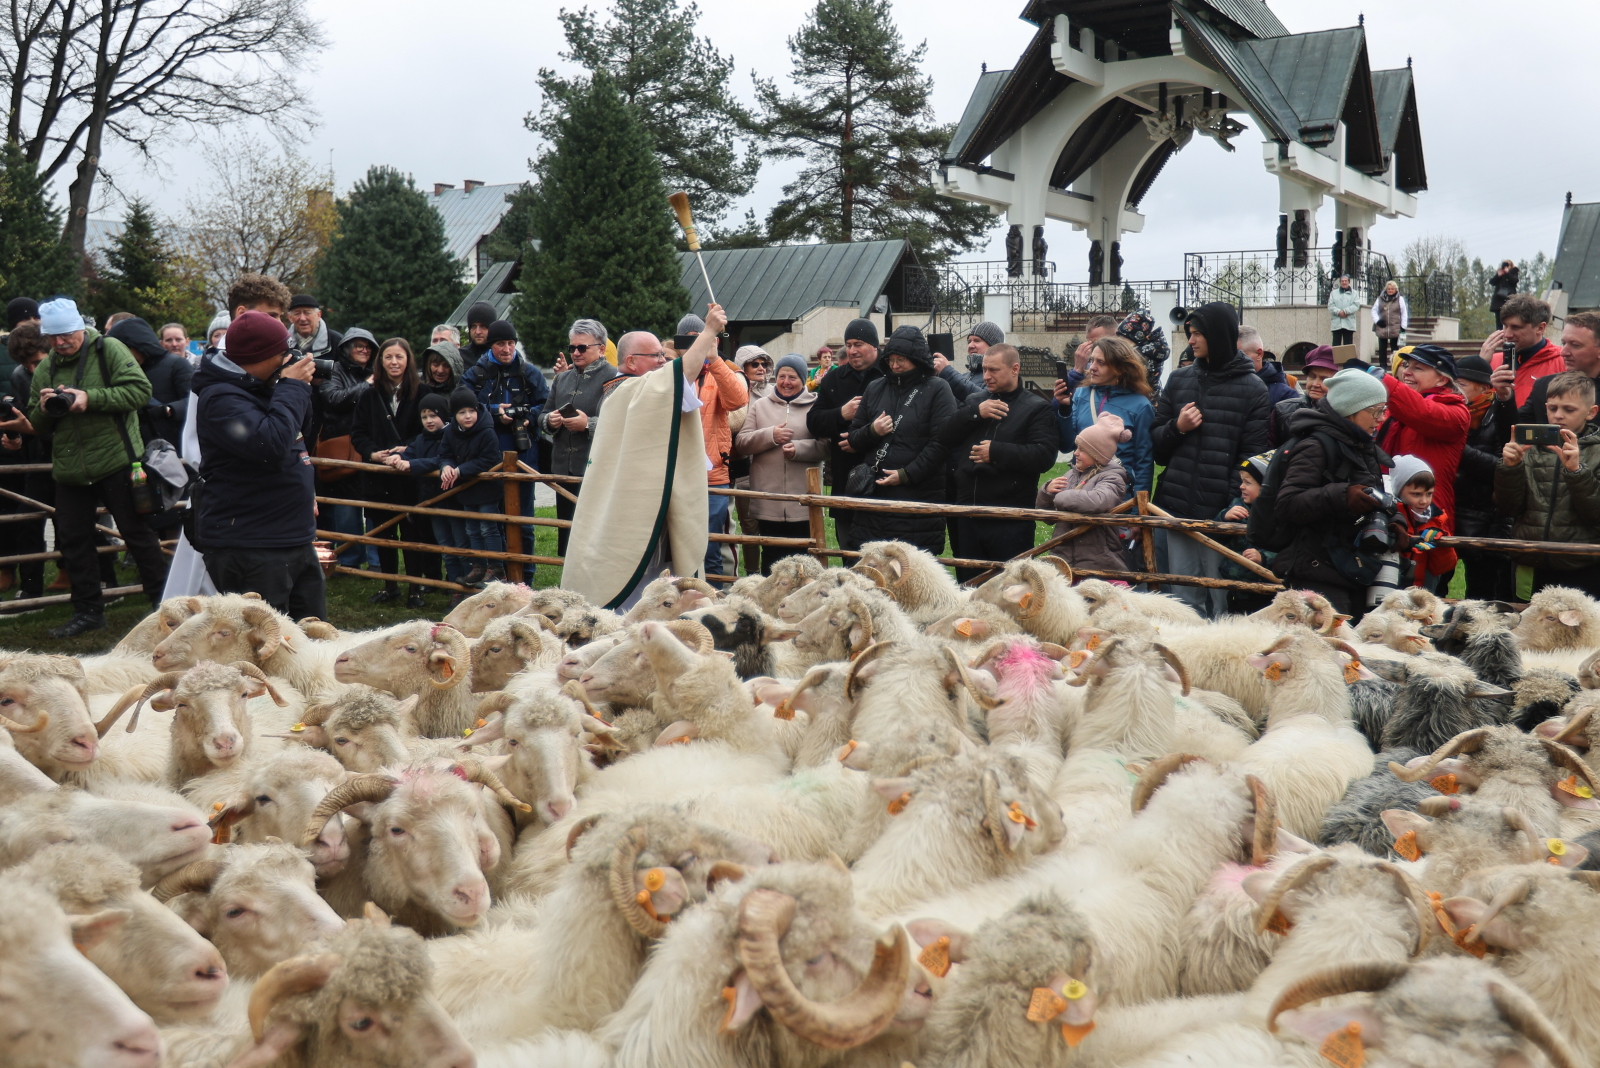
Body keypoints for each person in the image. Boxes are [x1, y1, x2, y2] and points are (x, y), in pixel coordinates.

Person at [565, 305, 728, 608]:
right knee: (631, 588)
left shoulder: (636, 390)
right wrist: (708, 332)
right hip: (628, 513)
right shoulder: (627, 392)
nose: (663, 360)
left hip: (654, 505)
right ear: (630, 362)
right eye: (654, 356)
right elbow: (681, 374)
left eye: (661, 355)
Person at [28, 298, 170, 636]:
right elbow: (38, 424)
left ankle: (165, 608)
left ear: (80, 327)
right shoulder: (45, 368)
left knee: (137, 535)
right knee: (74, 541)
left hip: (117, 460)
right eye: (53, 336)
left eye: (66, 334)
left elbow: (140, 392)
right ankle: (88, 611)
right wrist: (46, 409)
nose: (60, 342)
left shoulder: (110, 350)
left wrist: (89, 398)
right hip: (71, 468)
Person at [190, 310, 323, 617]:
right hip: (252, 545)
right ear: (260, 357)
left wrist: (292, 388)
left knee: (312, 641)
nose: (289, 359)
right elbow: (271, 445)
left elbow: (297, 435)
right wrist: (291, 387)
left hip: (290, 536)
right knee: (265, 649)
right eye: (283, 353)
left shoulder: (261, 386)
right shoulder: (221, 398)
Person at [1149, 302, 1271, 618]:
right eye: (1190, 333)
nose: (1191, 340)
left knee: (1221, 599)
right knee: (1182, 596)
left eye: (1198, 333)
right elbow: (1157, 448)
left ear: (1218, 335)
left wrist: (1228, 507)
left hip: (1222, 515)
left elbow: (1251, 459)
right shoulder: (1178, 380)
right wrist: (1177, 428)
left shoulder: (1253, 389)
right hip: (1177, 508)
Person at [1270, 368, 1392, 617]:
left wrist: (1394, 521)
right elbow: (1288, 503)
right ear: (1350, 409)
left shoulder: (1360, 443)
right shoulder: (1315, 445)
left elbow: (1376, 493)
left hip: (1348, 567)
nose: (1381, 419)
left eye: (1383, 411)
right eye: (1376, 411)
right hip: (1316, 571)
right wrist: (1343, 495)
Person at [943, 342, 1057, 580]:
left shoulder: (1036, 408)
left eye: (994, 370)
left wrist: (996, 452)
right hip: (968, 513)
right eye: (984, 369)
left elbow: (1044, 455)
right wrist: (975, 412)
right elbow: (945, 435)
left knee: (1009, 590)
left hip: (1009, 518)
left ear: (1015, 369)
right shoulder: (976, 400)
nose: (986, 376)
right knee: (968, 587)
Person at [845, 326, 956, 556]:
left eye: (901, 360)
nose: (895, 366)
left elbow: (942, 443)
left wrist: (906, 474)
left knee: (910, 575)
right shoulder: (875, 388)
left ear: (917, 359)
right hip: (872, 501)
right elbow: (854, 438)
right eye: (891, 359)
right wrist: (873, 431)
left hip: (916, 500)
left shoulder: (938, 389)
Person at [1495, 371, 1600, 597]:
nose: (1558, 416)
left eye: (1569, 409)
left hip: (1583, 565)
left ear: (1591, 412)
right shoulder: (1530, 450)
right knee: (1529, 625)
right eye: (1552, 408)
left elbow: (1596, 515)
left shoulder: (1597, 452)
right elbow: (1508, 508)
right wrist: (1509, 468)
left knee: (1580, 629)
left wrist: (1577, 471)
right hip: (1531, 561)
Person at [351, 338, 434, 607]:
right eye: (388, 357)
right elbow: (358, 433)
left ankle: (415, 590)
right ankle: (390, 587)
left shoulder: (422, 392)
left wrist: (408, 449)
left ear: (408, 359)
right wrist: (374, 453)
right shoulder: (369, 394)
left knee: (412, 533)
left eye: (399, 356)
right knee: (383, 534)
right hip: (378, 475)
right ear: (380, 361)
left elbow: (429, 431)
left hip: (409, 475)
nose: (394, 362)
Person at [735, 353, 826, 573]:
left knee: (803, 560)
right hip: (769, 501)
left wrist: (800, 449)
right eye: (782, 376)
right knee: (772, 560)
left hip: (803, 501)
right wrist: (770, 436)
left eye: (792, 377)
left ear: (803, 380)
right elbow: (742, 443)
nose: (786, 382)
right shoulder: (759, 406)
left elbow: (827, 447)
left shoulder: (816, 406)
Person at [1373, 344, 1468, 532]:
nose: (1406, 372)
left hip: (1429, 513)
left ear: (1442, 380)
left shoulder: (1456, 412)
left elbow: (1421, 412)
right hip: (1394, 506)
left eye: (1417, 368)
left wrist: (1385, 381)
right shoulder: (1396, 408)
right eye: (1406, 365)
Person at [542, 318, 617, 556]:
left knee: (594, 537)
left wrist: (588, 424)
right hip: (563, 469)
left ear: (601, 348)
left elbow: (619, 423)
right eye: (572, 347)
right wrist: (549, 421)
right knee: (567, 533)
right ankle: (567, 584)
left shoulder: (614, 376)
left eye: (582, 347)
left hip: (595, 470)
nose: (575, 352)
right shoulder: (562, 378)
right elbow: (543, 413)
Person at [808, 318, 882, 553]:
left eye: (858, 344)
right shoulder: (833, 379)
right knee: (848, 551)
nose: (851, 350)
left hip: (882, 479)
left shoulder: (889, 377)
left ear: (874, 346)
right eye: (848, 344)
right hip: (845, 478)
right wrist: (842, 413)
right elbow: (814, 422)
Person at [460, 318, 549, 517]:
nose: (507, 349)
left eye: (511, 343)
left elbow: (547, 404)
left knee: (524, 519)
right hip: (487, 454)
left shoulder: (530, 373)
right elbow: (460, 407)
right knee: (493, 520)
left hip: (524, 454)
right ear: (490, 345)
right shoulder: (475, 375)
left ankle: (524, 551)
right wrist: (493, 411)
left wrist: (530, 417)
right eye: (500, 344)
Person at [1449, 355, 1514, 600]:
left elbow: (1502, 468)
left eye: (1461, 385)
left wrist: (1457, 448)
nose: (1455, 391)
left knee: (1482, 594)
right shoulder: (1451, 412)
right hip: (1454, 513)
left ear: (1485, 388)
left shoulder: (1501, 415)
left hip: (1489, 520)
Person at [1037, 411, 1131, 576]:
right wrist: (1047, 492)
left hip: (1098, 562)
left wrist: (1060, 497)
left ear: (1097, 454)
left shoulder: (1113, 478)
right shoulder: (1071, 475)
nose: (1076, 453)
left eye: (1082, 449)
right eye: (1077, 447)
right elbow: (1048, 518)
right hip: (1064, 559)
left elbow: (1098, 501)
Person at [1058, 335, 1155, 495]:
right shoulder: (1081, 394)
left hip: (1118, 496)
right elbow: (1067, 445)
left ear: (1121, 368)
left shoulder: (1141, 406)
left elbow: (1143, 462)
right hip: (1081, 492)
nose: (1092, 367)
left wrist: (1138, 508)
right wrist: (1064, 409)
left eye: (1101, 362)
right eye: (1092, 360)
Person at [1489, 311, 1600, 449]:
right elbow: (1513, 437)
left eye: (1575, 345)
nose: (1563, 352)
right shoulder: (1544, 386)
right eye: (1564, 343)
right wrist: (1505, 397)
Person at [0, 324, 55, 600]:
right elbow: (30, 418)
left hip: (76, 456)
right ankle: (31, 592)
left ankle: (105, 583)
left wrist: (31, 430)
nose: (32, 369)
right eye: (25, 363)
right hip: (41, 457)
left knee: (78, 527)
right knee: (27, 520)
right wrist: (17, 439)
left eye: (36, 362)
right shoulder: (20, 375)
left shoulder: (65, 372)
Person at [316, 327, 378, 568]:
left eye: (368, 346)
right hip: (341, 446)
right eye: (358, 345)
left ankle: (376, 561)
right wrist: (367, 384)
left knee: (374, 505)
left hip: (369, 445)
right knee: (345, 508)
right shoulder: (334, 371)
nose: (363, 350)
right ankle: (349, 560)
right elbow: (333, 398)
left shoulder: (375, 371)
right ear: (346, 348)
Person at [691, 317, 747, 576]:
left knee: (712, 546)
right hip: (679, 475)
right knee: (680, 545)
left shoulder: (721, 369)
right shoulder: (671, 371)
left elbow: (738, 401)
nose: (697, 343)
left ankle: (713, 602)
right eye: (690, 338)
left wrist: (714, 360)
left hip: (713, 475)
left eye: (700, 336)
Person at [385, 393, 459, 586]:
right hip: (430, 500)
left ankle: (457, 582)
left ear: (443, 415)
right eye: (424, 417)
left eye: (433, 416)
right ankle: (437, 581)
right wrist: (397, 457)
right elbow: (410, 453)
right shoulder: (421, 438)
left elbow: (441, 459)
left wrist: (413, 465)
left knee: (457, 543)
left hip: (451, 500)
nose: (429, 421)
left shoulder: (452, 436)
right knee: (439, 542)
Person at [108, 316, 191, 450]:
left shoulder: (177, 364)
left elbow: (194, 401)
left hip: (171, 447)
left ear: (138, 344)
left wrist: (168, 410)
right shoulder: (123, 370)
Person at [1387, 455, 1457, 594]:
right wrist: (1406, 543)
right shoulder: (1389, 516)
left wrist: (1441, 543)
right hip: (1391, 589)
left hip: (1421, 591)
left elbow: (1443, 567)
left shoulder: (1436, 519)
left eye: (1429, 494)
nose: (1424, 501)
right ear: (1398, 491)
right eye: (1416, 494)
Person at [1482, 293, 1564, 410]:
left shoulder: (1563, 362)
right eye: (1505, 326)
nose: (1507, 334)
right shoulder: (1492, 360)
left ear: (1540, 328)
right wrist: (1480, 367)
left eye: (1516, 327)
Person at [1217, 453, 1275, 614]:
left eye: (1247, 482)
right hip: (1236, 584)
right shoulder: (1237, 504)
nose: (1241, 486)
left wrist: (1263, 557)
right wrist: (1225, 517)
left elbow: (1287, 552)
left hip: (1266, 590)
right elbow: (1216, 536)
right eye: (1242, 481)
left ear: (1266, 487)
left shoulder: (1278, 513)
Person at [1268, 344, 1339, 446]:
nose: (1315, 384)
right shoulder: (1282, 410)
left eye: (1324, 379)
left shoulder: (1347, 415)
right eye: (1312, 376)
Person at [1051, 314, 1120, 416]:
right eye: (1089, 342)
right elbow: (1057, 409)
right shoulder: (1089, 368)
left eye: (1097, 342)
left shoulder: (1127, 370)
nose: (1092, 348)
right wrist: (1077, 370)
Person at [1240, 326, 1296, 404]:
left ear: (1259, 354)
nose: (1233, 359)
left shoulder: (1286, 395)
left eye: (1240, 354)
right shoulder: (1223, 385)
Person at [285, 294, 342, 363]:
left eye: (307, 313)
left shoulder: (337, 342)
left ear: (318, 315)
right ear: (290, 318)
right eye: (297, 313)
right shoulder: (282, 343)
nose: (302, 318)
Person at [1372, 280, 1408, 362]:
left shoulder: (1400, 299)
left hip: (1394, 326)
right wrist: (1377, 321)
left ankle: (1394, 366)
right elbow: (1373, 311)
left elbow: (1404, 313)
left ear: (1396, 290)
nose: (1390, 290)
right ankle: (1383, 367)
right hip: (1382, 326)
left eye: (1392, 289)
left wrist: (1403, 326)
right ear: (1386, 289)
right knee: (1382, 349)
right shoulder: (1380, 299)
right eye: (1388, 289)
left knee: (1394, 349)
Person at [460, 302, 497, 366]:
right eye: (473, 326)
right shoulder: (460, 357)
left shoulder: (503, 355)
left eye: (483, 326)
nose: (477, 332)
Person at [1328, 275, 1360, 347]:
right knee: (1336, 346)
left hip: (1349, 323)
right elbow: (1330, 306)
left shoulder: (1354, 293)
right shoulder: (1333, 293)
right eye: (1342, 281)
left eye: (1346, 281)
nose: (1344, 282)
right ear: (1340, 282)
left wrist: (1345, 311)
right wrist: (1339, 312)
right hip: (1336, 323)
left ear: (1349, 282)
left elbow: (1356, 305)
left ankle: (1348, 359)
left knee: (1348, 346)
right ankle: (1336, 358)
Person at [1490, 260, 1520, 329]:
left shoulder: (1513, 272)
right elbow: (1492, 282)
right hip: (1499, 300)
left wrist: (1508, 273)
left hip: (1508, 299)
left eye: (1507, 265)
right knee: (1499, 319)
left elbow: (1514, 281)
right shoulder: (1500, 273)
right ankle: (1499, 333)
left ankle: (1509, 331)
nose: (1505, 267)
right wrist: (1498, 275)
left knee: (1509, 317)